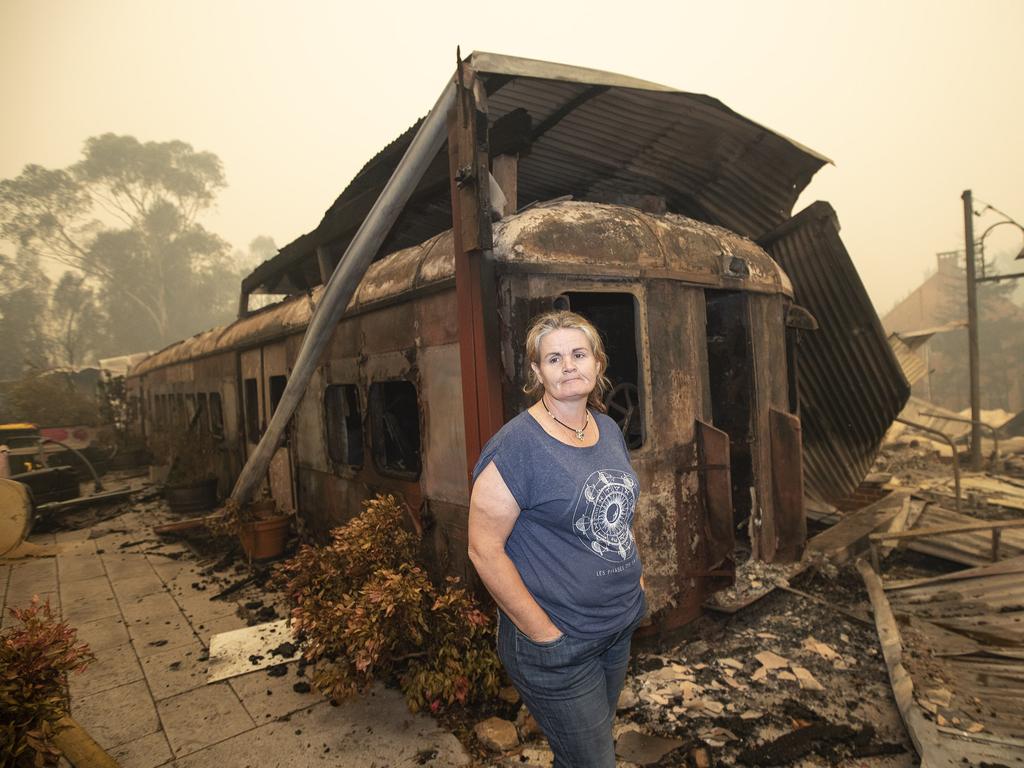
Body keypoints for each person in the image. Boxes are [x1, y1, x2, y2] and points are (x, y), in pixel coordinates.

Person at [468, 310, 645, 768]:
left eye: (578, 353)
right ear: (536, 372)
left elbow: (621, 510)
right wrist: (543, 634)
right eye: (554, 358)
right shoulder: (516, 447)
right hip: (561, 646)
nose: (568, 365)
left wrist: (636, 583)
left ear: (598, 364)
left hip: (617, 627)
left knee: (584, 752)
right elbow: (483, 550)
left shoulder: (606, 429)